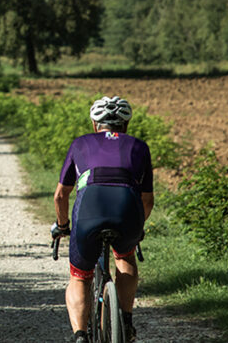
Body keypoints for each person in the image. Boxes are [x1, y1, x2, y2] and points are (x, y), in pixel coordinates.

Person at [51, 96, 154, 343]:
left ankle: (80, 335)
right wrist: (137, 228)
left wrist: (63, 225)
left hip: (89, 210)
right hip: (126, 210)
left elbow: (60, 195)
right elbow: (147, 200)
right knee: (125, 256)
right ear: (126, 124)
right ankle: (126, 321)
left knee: (79, 276)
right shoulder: (139, 146)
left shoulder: (80, 144)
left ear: (95, 124)